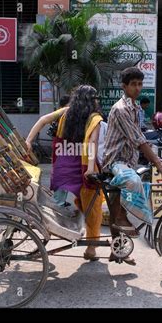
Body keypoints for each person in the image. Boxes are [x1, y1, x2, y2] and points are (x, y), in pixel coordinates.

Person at [103, 67, 162, 266]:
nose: (137, 88)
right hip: (115, 162)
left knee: (117, 206)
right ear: (124, 87)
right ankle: (123, 222)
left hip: (129, 162)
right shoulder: (121, 109)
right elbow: (139, 140)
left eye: (140, 84)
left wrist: (160, 160)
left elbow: (141, 139)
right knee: (132, 183)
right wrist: (158, 163)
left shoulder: (136, 108)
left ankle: (117, 251)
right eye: (133, 84)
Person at [26, 85, 104, 261]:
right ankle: (91, 250)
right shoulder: (95, 118)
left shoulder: (67, 112)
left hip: (65, 167)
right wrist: (91, 168)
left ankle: (79, 230)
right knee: (94, 209)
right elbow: (92, 143)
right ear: (91, 100)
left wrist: (28, 141)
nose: (97, 101)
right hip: (84, 169)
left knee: (83, 203)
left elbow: (43, 119)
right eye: (96, 98)